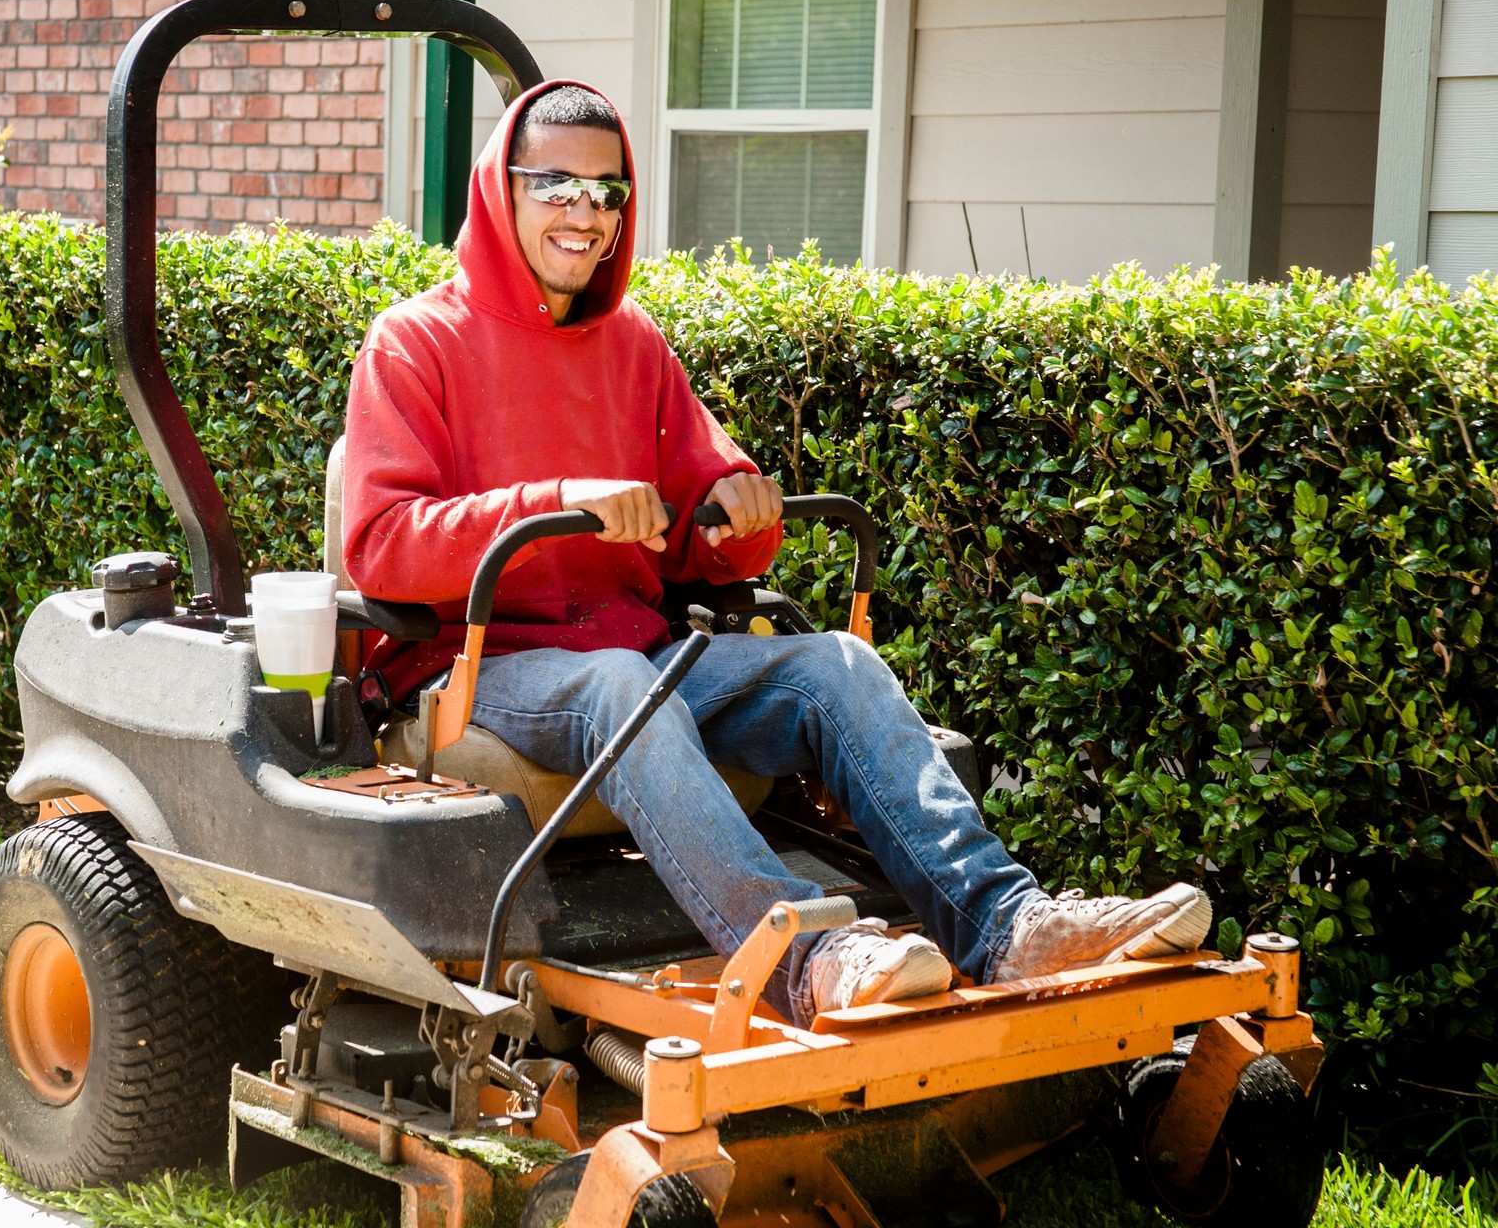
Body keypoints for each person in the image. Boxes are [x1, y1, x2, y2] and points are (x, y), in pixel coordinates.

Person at [341, 80, 1211, 1025]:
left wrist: (738, 513)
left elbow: (706, 527)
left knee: (834, 662)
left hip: (635, 658)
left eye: (607, 192)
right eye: (554, 185)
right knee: (619, 692)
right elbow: (382, 549)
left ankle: (1005, 924)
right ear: (498, 190)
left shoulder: (634, 347)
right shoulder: (414, 342)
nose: (584, 213)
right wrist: (559, 503)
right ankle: (803, 956)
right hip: (482, 672)